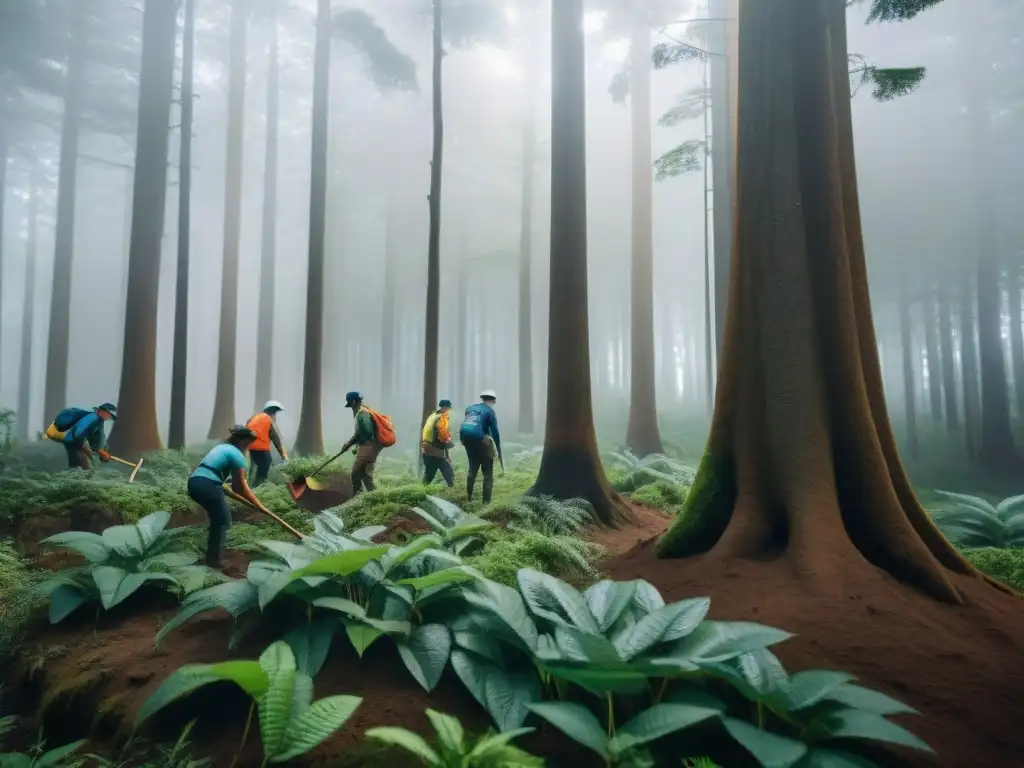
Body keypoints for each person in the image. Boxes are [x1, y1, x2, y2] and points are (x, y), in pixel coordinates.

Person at [187, 425, 273, 569]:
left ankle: (211, 554)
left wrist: (221, 484)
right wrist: (257, 504)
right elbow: (239, 487)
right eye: (249, 442)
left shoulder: (221, 448)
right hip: (207, 485)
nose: (249, 446)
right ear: (242, 441)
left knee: (217, 518)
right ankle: (214, 561)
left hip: (194, 483)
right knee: (223, 520)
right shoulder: (237, 455)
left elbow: (210, 471)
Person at [459, 390, 503, 504]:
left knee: (472, 467)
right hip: (479, 439)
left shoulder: (470, 408)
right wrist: (498, 451)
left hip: (465, 438)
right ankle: (486, 502)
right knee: (488, 472)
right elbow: (495, 433)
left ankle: (469, 497)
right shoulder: (490, 411)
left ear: (482, 399)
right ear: (494, 401)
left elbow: (478, 425)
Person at [44, 403, 117, 470]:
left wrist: (101, 451)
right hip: (65, 437)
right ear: (103, 411)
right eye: (110, 414)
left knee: (87, 458)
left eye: (111, 417)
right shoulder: (93, 418)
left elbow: (97, 439)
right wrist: (96, 451)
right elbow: (76, 434)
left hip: (68, 437)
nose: (109, 417)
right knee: (83, 465)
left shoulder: (97, 420)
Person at [340, 391, 383, 495]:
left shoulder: (362, 413)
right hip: (372, 447)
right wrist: (355, 445)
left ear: (354, 402)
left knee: (355, 474)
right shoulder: (363, 411)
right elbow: (361, 433)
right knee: (366, 477)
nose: (351, 407)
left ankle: (357, 498)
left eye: (350, 404)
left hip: (368, 447)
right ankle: (376, 498)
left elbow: (366, 432)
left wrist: (349, 444)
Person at [246, 400, 288, 486]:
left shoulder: (254, 417)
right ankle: (258, 487)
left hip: (250, 446)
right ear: (271, 412)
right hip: (262, 448)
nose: (275, 415)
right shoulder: (268, 420)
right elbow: (276, 439)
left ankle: (249, 483)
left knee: (254, 466)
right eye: (274, 412)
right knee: (265, 466)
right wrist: (284, 456)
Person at [421, 399, 455, 487]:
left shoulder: (433, 415)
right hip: (435, 451)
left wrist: (447, 454)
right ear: (447, 408)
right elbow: (442, 432)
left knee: (429, 475)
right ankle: (452, 490)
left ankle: (422, 491)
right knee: (448, 473)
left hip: (426, 448)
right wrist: (448, 440)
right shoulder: (443, 417)